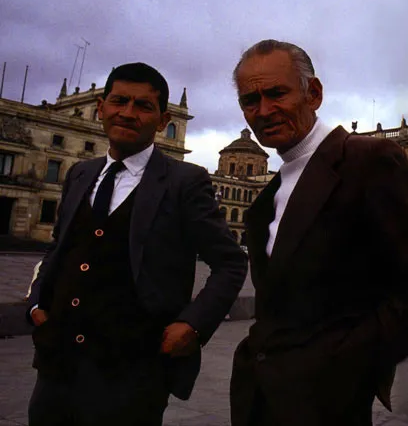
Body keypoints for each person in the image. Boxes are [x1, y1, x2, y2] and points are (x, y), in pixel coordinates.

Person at [229, 40, 408, 426]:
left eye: (277, 93)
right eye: (250, 100)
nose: (264, 110)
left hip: (329, 403)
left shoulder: (368, 160)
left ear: (313, 93)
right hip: (259, 398)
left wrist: (345, 363)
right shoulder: (269, 195)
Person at [27, 63, 248, 426]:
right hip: (57, 361)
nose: (128, 113)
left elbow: (230, 263)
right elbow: (60, 245)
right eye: (120, 101)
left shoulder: (185, 181)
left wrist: (192, 325)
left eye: (144, 106)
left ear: (162, 121)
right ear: (101, 107)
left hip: (133, 371)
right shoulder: (81, 173)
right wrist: (36, 300)